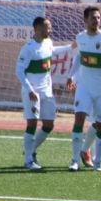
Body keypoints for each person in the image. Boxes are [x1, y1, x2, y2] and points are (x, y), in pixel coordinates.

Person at [66, 6, 101, 172]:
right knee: (79, 119)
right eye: (92, 17)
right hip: (84, 87)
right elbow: (78, 57)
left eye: (98, 17)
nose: (96, 20)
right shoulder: (81, 37)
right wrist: (71, 76)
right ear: (85, 20)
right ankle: (75, 160)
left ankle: (98, 162)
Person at [15, 16, 70, 171]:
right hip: (32, 91)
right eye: (48, 27)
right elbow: (19, 71)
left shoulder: (48, 42)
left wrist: (70, 47)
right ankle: (28, 161)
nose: (50, 30)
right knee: (32, 123)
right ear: (38, 29)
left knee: (48, 124)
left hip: (46, 91)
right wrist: (30, 90)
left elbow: (53, 51)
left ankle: (30, 150)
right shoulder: (28, 48)